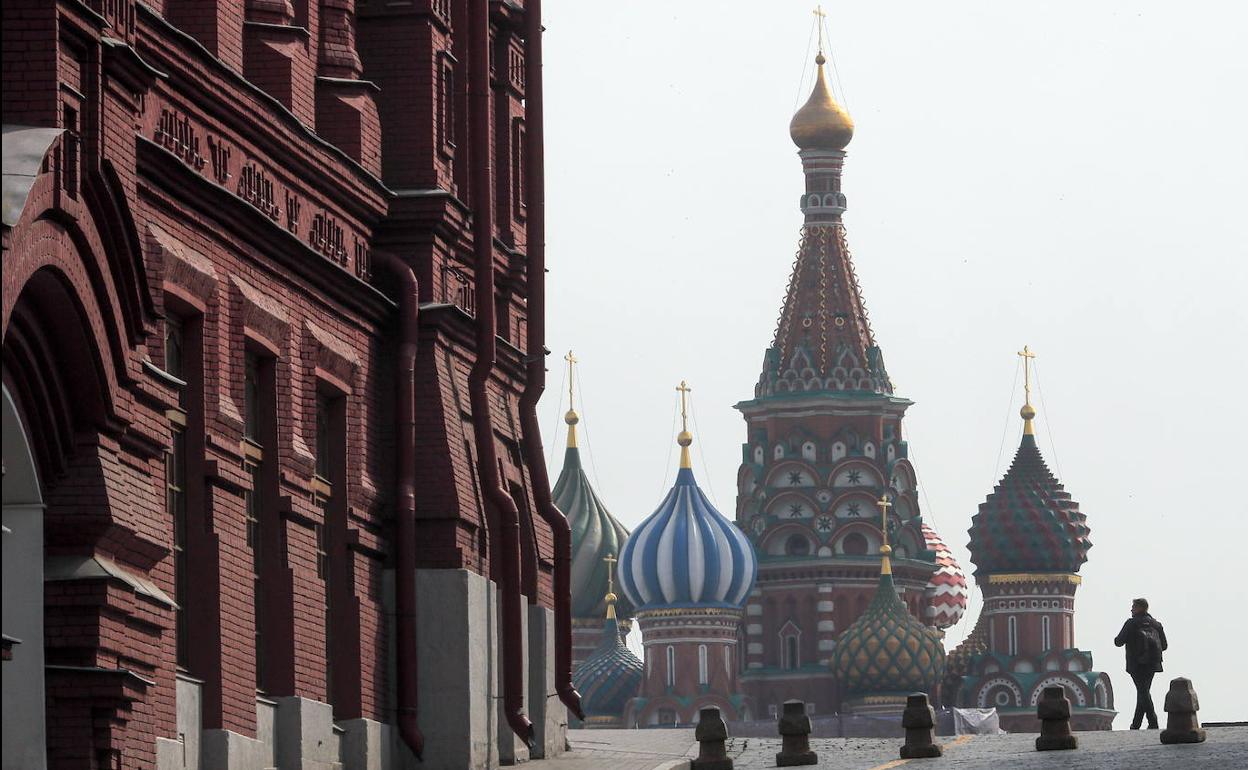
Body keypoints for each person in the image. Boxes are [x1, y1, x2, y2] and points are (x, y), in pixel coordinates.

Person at [1114, 597, 1168, 729]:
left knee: (1143, 691)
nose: (1131, 609)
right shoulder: (1156, 624)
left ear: (1139, 608)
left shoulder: (1131, 623)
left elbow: (1119, 642)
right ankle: (1136, 723)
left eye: (1133, 607)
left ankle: (1153, 721)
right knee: (1143, 691)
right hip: (1153, 663)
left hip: (1136, 663)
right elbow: (1164, 645)